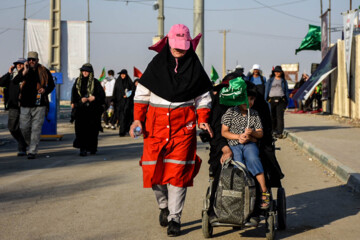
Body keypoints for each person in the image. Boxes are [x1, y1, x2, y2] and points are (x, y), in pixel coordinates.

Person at [129, 23, 213, 237]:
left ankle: (175, 217)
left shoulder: (196, 69)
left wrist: (202, 119)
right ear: (167, 43)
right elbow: (141, 97)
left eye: (183, 46)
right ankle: (163, 206)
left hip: (182, 130)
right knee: (153, 174)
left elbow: (203, 98)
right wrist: (137, 121)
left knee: (177, 175)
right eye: (176, 45)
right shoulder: (155, 66)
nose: (179, 49)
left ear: (189, 46)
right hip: (154, 130)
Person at [220, 78, 270, 210]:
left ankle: (264, 191)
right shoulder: (230, 112)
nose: (249, 102)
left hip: (249, 145)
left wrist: (252, 132)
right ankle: (239, 193)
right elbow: (224, 132)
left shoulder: (254, 114)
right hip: (234, 144)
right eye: (246, 99)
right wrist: (238, 136)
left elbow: (260, 134)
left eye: (252, 99)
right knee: (237, 163)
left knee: (253, 159)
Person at [12, 51, 55, 159]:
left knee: (36, 129)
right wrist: (24, 71)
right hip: (25, 104)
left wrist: (45, 89)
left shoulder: (44, 70)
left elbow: (52, 85)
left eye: (33, 60)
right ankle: (29, 143)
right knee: (24, 128)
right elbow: (15, 81)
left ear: (37, 61)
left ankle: (32, 151)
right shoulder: (24, 70)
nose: (31, 61)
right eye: (29, 59)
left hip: (39, 105)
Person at [71, 63, 105, 156]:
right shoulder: (78, 82)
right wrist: (78, 101)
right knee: (80, 130)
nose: (85, 73)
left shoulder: (96, 82)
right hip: (81, 110)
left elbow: (102, 96)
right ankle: (83, 149)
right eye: (83, 71)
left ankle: (92, 148)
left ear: (90, 73)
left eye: (87, 71)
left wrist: (94, 98)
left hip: (93, 111)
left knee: (92, 130)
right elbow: (74, 94)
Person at [0, 58, 28, 156]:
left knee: (25, 127)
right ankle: (22, 143)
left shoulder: (29, 75)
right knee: (12, 127)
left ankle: (22, 147)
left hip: (26, 105)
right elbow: (1, 83)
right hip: (13, 105)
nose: (19, 66)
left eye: (21, 64)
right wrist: (8, 73)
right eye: (17, 64)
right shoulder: (11, 76)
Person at [264, 65, 289, 139]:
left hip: (281, 100)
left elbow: (286, 91)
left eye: (279, 72)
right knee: (272, 116)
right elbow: (266, 90)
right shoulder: (270, 80)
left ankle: (279, 132)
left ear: (281, 72)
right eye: (276, 72)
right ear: (274, 72)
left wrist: (286, 101)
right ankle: (272, 131)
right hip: (271, 100)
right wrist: (265, 99)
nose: (277, 73)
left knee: (280, 117)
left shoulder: (284, 81)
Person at [112, 69, 134, 137]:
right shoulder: (118, 82)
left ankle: (124, 131)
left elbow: (132, 90)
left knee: (126, 116)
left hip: (127, 102)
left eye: (124, 74)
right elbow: (115, 91)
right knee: (121, 116)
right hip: (119, 102)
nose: (123, 76)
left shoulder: (129, 82)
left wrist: (127, 95)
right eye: (122, 74)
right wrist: (113, 100)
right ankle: (122, 131)